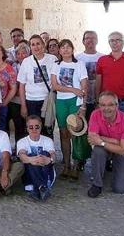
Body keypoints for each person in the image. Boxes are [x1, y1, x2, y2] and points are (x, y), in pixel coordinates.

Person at [49, 39, 88, 179]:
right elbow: (55, 85)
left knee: (76, 132)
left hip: (75, 102)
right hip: (61, 101)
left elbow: (85, 86)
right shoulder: (56, 65)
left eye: (68, 47)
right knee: (64, 133)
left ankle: (77, 165)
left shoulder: (79, 65)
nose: (65, 50)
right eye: (63, 47)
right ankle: (66, 164)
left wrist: (83, 106)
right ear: (59, 51)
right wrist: (72, 89)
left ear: (72, 49)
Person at [86, 91, 124, 198]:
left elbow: (123, 150)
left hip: (122, 152)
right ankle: (97, 184)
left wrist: (101, 141)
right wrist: (115, 141)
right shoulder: (95, 114)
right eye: (103, 105)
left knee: (120, 188)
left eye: (110, 105)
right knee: (97, 151)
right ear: (99, 105)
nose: (106, 108)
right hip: (112, 147)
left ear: (117, 106)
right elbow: (92, 138)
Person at [17, 35, 58, 132]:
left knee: (47, 129)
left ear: (43, 45)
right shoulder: (26, 62)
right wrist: (23, 106)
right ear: (30, 47)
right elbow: (22, 85)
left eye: (38, 44)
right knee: (34, 130)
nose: (36, 47)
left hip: (48, 100)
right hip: (31, 102)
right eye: (33, 44)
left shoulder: (52, 59)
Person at [95, 32, 124, 118]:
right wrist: (97, 101)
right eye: (112, 40)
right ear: (109, 43)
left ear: (123, 42)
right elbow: (98, 83)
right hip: (105, 104)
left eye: (118, 40)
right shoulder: (102, 60)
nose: (114, 43)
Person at [16, 115, 56, 201]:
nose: (34, 129)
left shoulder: (48, 140)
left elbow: (53, 155)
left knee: (44, 153)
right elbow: (22, 156)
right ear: (27, 128)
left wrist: (49, 159)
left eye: (37, 127)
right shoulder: (21, 141)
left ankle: (37, 189)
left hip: (46, 171)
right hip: (28, 174)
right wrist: (32, 160)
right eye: (31, 127)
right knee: (29, 156)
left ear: (41, 128)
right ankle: (42, 187)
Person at [76, 30, 104, 120]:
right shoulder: (77, 57)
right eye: (87, 38)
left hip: (98, 98)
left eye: (93, 38)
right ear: (83, 41)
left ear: (97, 41)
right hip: (81, 99)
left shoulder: (103, 57)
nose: (90, 40)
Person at [0, 44, 17, 132]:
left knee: (1, 128)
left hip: (1, 105)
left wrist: (5, 102)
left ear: (3, 53)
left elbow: (13, 88)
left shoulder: (9, 69)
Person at [7, 41, 30, 142]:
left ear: (28, 54)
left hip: (29, 99)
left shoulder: (31, 65)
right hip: (16, 101)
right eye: (18, 53)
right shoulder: (13, 67)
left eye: (24, 53)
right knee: (18, 126)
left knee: (29, 126)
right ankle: (19, 149)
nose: (21, 56)